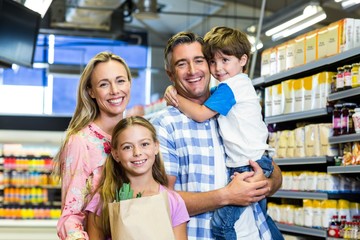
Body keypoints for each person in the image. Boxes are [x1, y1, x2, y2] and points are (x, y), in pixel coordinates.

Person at [150, 31, 283, 240]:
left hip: (258, 232)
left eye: (199, 60)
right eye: (182, 64)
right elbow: (160, 200)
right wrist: (226, 196)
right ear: (170, 74)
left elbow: (270, 167)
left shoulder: (231, 107)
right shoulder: (164, 126)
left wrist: (267, 183)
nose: (193, 70)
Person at [53, 51, 132, 240]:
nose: (115, 90)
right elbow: (70, 216)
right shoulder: (80, 142)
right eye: (104, 84)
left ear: (130, 83)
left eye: (120, 81)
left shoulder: (135, 135)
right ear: (91, 91)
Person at [85, 116, 190, 239]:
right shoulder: (102, 199)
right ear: (116, 154)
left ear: (156, 147)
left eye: (144, 144)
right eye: (127, 147)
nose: (137, 152)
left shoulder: (173, 201)